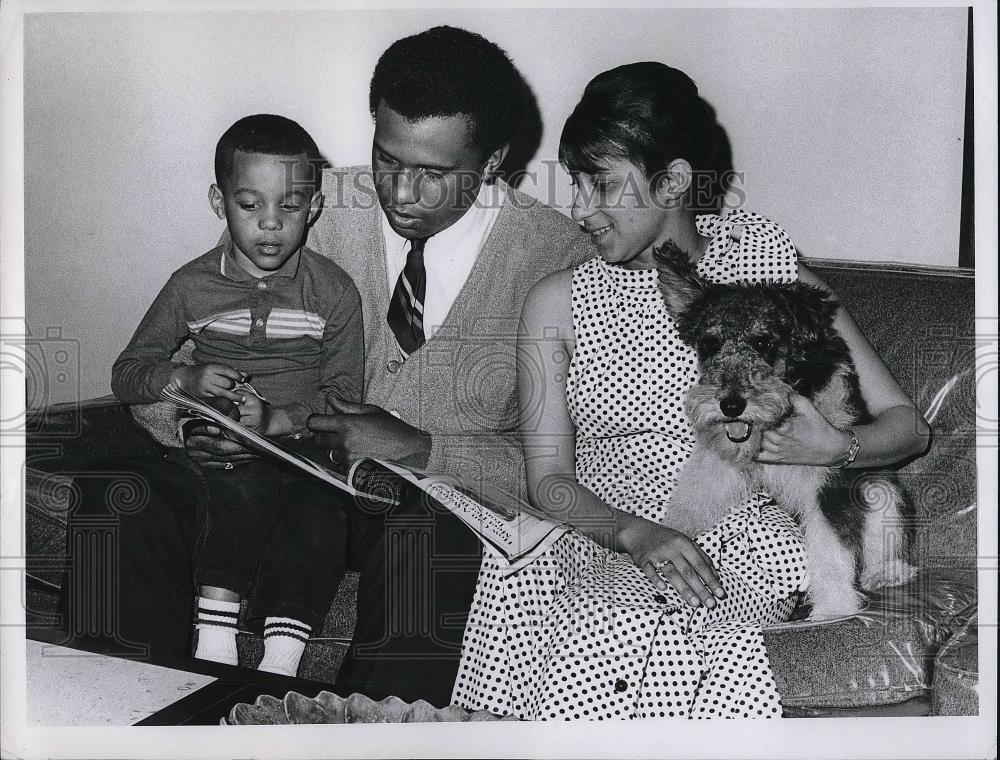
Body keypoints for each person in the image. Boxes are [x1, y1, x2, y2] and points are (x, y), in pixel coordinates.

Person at [69, 26, 592, 706]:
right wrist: (196, 421)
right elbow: (188, 347)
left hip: (423, 508)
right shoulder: (301, 199)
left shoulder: (557, 258)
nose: (400, 192)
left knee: (426, 546)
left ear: (492, 158)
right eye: (386, 159)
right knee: (115, 497)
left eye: (433, 175)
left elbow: (562, 469)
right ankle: (127, 727)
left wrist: (418, 447)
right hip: (268, 479)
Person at [450, 62, 930, 719]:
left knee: (645, 619)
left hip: (729, 541)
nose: (580, 208)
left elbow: (909, 425)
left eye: (602, 185)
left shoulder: (766, 276)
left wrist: (833, 447)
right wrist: (631, 533)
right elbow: (550, 481)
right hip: (599, 529)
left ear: (673, 180)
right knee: (558, 597)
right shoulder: (555, 302)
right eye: (575, 185)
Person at [105, 114, 363, 677]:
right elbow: (127, 373)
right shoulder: (190, 285)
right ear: (219, 202)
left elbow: (345, 396)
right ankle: (214, 647)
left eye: (290, 207)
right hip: (219, 459)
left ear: (314, 207)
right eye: (250, 206)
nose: (270, 226)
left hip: (300, 456)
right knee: (232, 486)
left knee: (322, 514)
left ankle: (281, 662)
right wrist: (184, 381)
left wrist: (279, 419)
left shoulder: (335, 291)